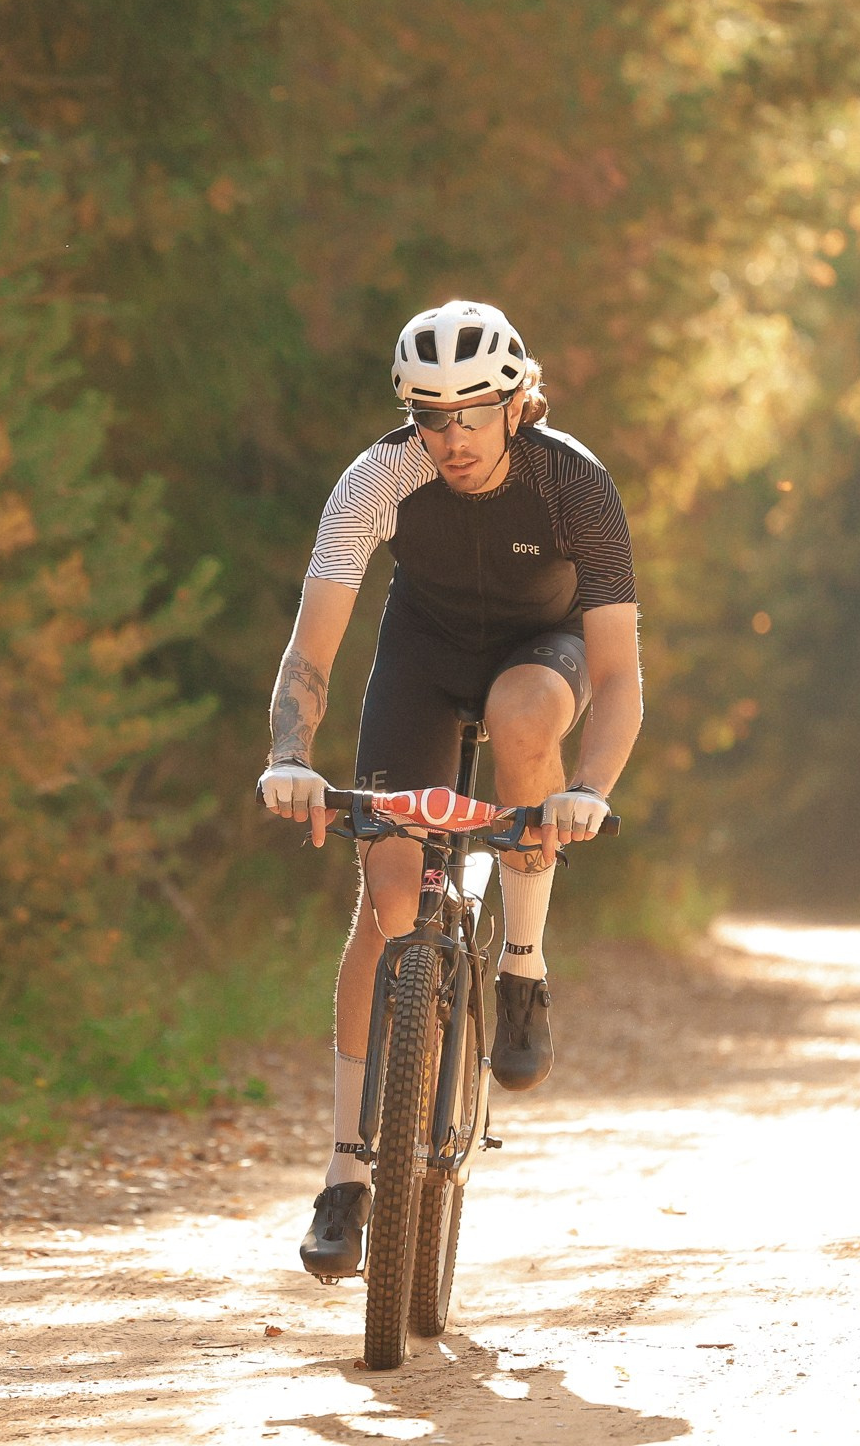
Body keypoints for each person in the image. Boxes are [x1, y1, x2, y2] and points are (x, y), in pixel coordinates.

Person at [259, 299, 644, 1280]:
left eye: (472, 413)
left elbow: (621, 675)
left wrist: (589, 785)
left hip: (537, 655)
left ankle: (520, 965)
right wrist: (290, 757)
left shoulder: (576, 486)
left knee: (523, 720)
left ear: (517, 403)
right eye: (431, 416)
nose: (452, 438)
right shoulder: (377, 480)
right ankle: (347, 1172)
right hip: (423, 658)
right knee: (386, 905)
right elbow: (311, 650)